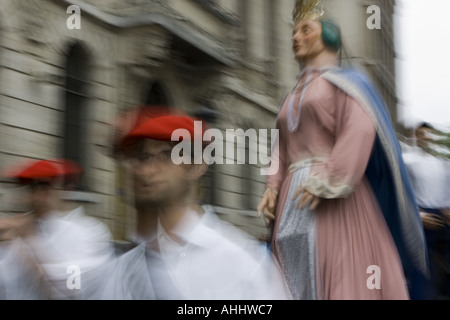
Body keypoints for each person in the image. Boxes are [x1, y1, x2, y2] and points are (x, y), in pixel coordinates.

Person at [257, 0, 428, 300]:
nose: (295, 37)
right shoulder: (290, 96)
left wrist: (332, 178)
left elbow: (359, 131)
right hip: (292, 202)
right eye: (294, 31)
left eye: (305, 30)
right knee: (293, 277)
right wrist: (272, 187)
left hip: (335, 199)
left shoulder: (349, 84)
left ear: (329, 36)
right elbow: (280, 146)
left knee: (341, 272)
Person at [97, 111, 291, 300]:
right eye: (143, 157)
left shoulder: (241, 261)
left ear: (198, 166)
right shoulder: (120, 268)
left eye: (167, 155)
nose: (148, 169)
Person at [0, 158, 114, 299]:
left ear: (66, 189)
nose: (36, 196)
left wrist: (31, 242)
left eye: (44, 186)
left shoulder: (89, 232)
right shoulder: (21, 232)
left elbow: (74, 286)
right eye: (31, 187)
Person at [403, 122, 450, 299]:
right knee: (421, 268)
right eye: (422, 134)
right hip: (422, 217)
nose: (426, 138)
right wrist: (417, 214)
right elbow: (404, 192)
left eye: (429, 134)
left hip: (444, 217)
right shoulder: (409, 162)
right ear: (416, 138)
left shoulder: (443, 163)